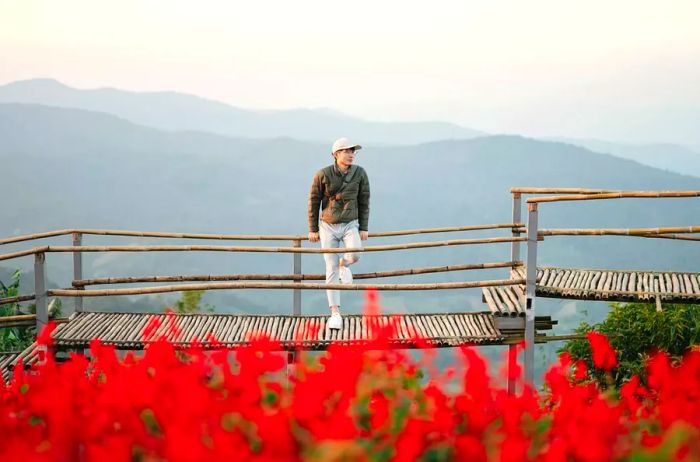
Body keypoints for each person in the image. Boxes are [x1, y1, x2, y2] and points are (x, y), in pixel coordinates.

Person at [307, 137, 370, 329]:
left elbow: (364, 201)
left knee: (356, 253)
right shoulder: (322, 174)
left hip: (351, 223)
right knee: (330, 267)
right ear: (336, 154)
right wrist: (313, 229)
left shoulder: (360, 173)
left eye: (353, 151)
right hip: (327, 225)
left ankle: (345, 264)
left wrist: (364, 227)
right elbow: (314, 201)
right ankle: (335, 312)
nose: (351, 154)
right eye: (346, 151)